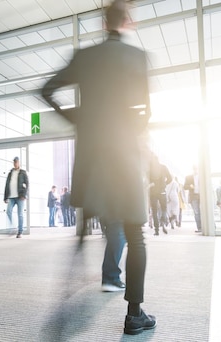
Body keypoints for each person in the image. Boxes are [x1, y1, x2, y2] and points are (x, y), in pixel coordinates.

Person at [41, 0, 155, 335]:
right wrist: (128, 133)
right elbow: (144, 111)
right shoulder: (136, 58)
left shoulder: (84, 57)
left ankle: (69, 299)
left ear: (103, 23)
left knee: (88, 225)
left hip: (91, 159)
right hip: (124, 157)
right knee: (135, 234)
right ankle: (135, 314)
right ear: (126, 22)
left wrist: (78, 121)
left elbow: (46, 90)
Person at [4, 156, 29, 238]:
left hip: (20, 196)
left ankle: (20, 232)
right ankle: (13, 228)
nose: (15, 163)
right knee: (8, 211)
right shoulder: (10, 173)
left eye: (17, 162)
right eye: (14, 162)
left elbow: (27, 184)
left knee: (20, 214)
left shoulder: (23, 172)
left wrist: (24, 195)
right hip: (11, 197)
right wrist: (5, 197)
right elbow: (7, 185)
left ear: (19, 163)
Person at [148, 153, 172, 235]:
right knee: (164, 209)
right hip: (162, 191)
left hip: (153, 192)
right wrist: (164, 183)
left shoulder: (149, 169)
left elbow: (146, 180)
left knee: (154, 211)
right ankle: (163, 221)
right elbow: (170, 178)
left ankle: (156, 230)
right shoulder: (163, 167)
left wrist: (151, 184)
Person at [184, 165, 201, 232]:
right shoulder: (188, 177)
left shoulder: (202, 176)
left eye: (196, 169)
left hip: (201, 196)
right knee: (196, 212)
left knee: (202, 211)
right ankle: (199, 228)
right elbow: (185, 187)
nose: (195, 170)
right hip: (193, 197)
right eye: (194, 169)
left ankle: (204, 227)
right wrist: (190, 186)